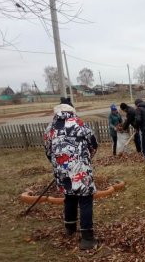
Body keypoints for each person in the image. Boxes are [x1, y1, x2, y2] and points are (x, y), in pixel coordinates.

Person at [44, 97, 99, 250]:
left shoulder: (50, 128)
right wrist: (85, 159)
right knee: (85, 200)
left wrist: (59, 165)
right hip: (80, 169)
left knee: (69, 197)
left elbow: (48, 152)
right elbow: (93, 144)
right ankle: (87, 238)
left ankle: (70, 228)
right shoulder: (80, 124)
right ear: (72, 110)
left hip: (62, 171)